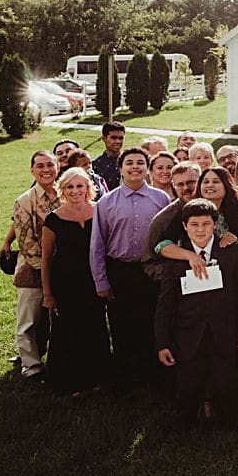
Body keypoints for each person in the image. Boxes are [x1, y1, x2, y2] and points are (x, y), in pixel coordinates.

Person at [155, 198, 238, 429]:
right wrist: (162, 343)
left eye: (206, 224)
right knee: (188, 385)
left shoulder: (230, 251)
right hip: (188, 335)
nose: (201, 230)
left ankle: (230, 424)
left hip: (225, 332)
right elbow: (165, 305)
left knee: (226, 383)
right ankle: (186, 425)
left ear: (215, 225)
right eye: (195, 225)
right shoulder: (176, 259)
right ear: (185, 227)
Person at [89, 146, 171, 386]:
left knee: (150, 320)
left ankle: (151, 374)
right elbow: (97, 245)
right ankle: (125, 374)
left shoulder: (161, 198)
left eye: (140, 163)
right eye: (130, 163)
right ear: (121, 169)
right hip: (120, 271)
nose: (135, 167)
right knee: (121, 322)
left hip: (151, 269)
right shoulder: (106, 202)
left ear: (147, 168)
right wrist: (101, 281)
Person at [41, 168, 111, 395]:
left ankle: (99, 377)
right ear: (62, 190)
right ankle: (71, 381)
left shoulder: (100, 211)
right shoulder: (53, 220)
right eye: (70, 186)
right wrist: (48, 294)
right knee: (69, 331)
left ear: (88, 188)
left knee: (96, 327)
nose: (75, 191)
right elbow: (46, 259)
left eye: (80, 186)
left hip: (95, 280)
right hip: (67, 283)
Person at [0, 150, 60, 382]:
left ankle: (57, 358)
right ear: (32, 170)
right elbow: (26, 242)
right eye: (40, 166)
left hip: (63, 269)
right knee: (29, 319)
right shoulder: (24, 201)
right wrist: (47, 270)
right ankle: (31, 364)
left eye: (50, 165)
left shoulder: (66, 194)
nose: (46, 170)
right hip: (32, 269)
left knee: (57, 318)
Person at [92, 122, 125, 191]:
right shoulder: (95, 165)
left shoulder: (129, 162)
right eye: (113, 138)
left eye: (121, 138)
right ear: (104, 139)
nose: (118, 141)